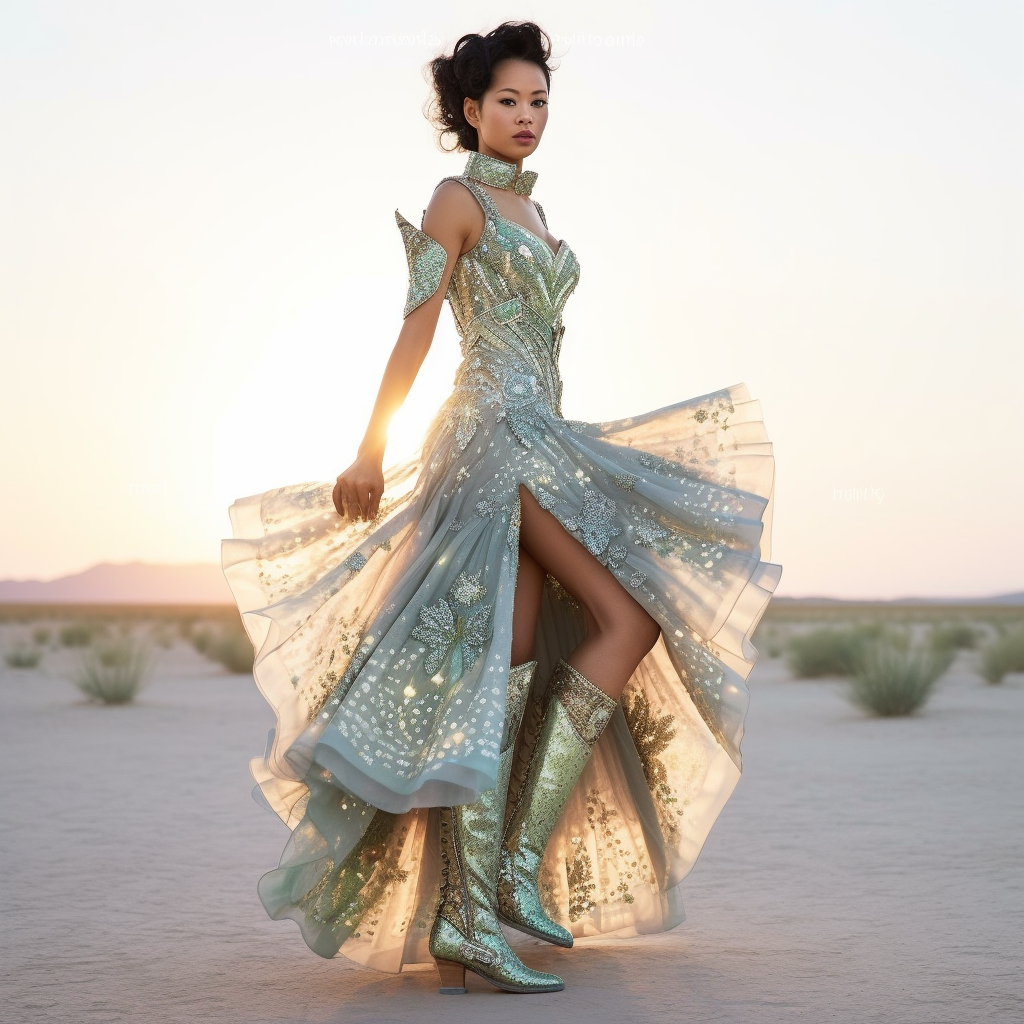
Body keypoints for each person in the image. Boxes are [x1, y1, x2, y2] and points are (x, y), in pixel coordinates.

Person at [221, 20, 782, 996]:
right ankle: (512, 869)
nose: (527, 117)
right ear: (469, 111)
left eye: (540, 103)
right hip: (491, 438)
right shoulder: (457, 198)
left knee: (508, 668)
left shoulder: (534, 210)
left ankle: (469, 917)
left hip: (543, 435)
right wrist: (369, 447)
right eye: (509, 102)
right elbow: (417, 329)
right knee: (625, 613)